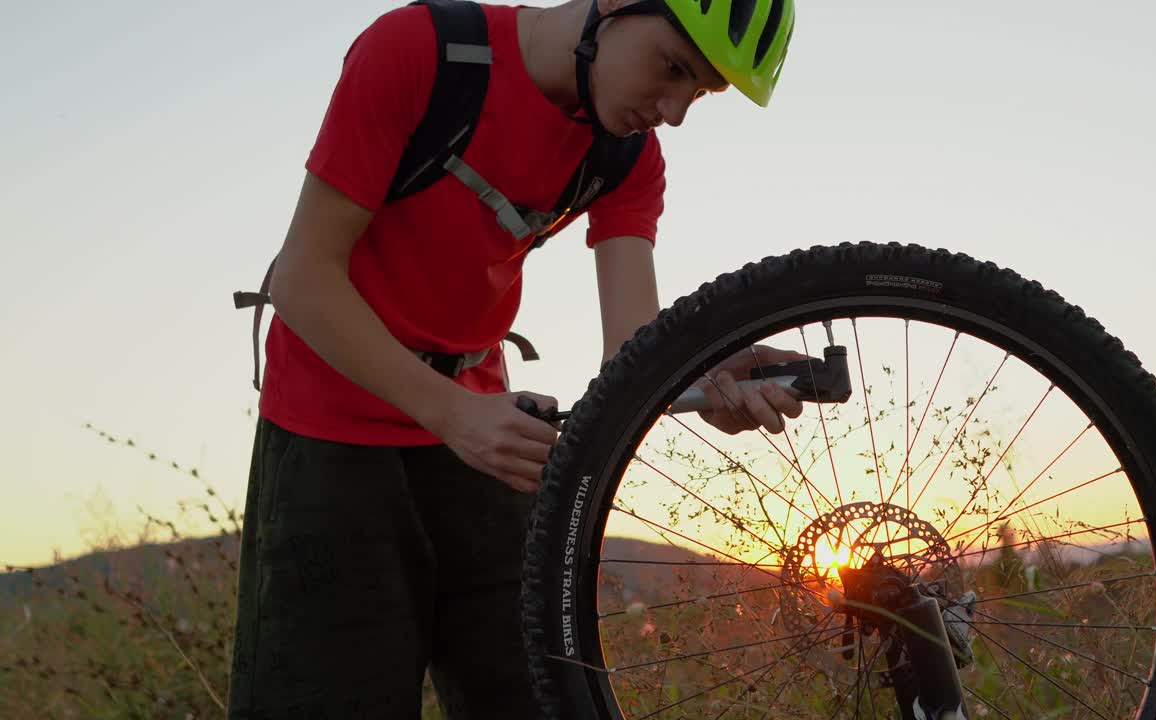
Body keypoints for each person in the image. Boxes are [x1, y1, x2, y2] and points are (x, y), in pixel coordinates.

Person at [226, 0, 798, 717]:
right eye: (674, 68)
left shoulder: (626, 157)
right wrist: (452, 414)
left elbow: (633, 356)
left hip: (482, 440)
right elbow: (303, 279)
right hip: (331, 435)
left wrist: (706, 374)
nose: (676, 109)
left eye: (701, 92)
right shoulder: (420, 52)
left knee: (540, 699)